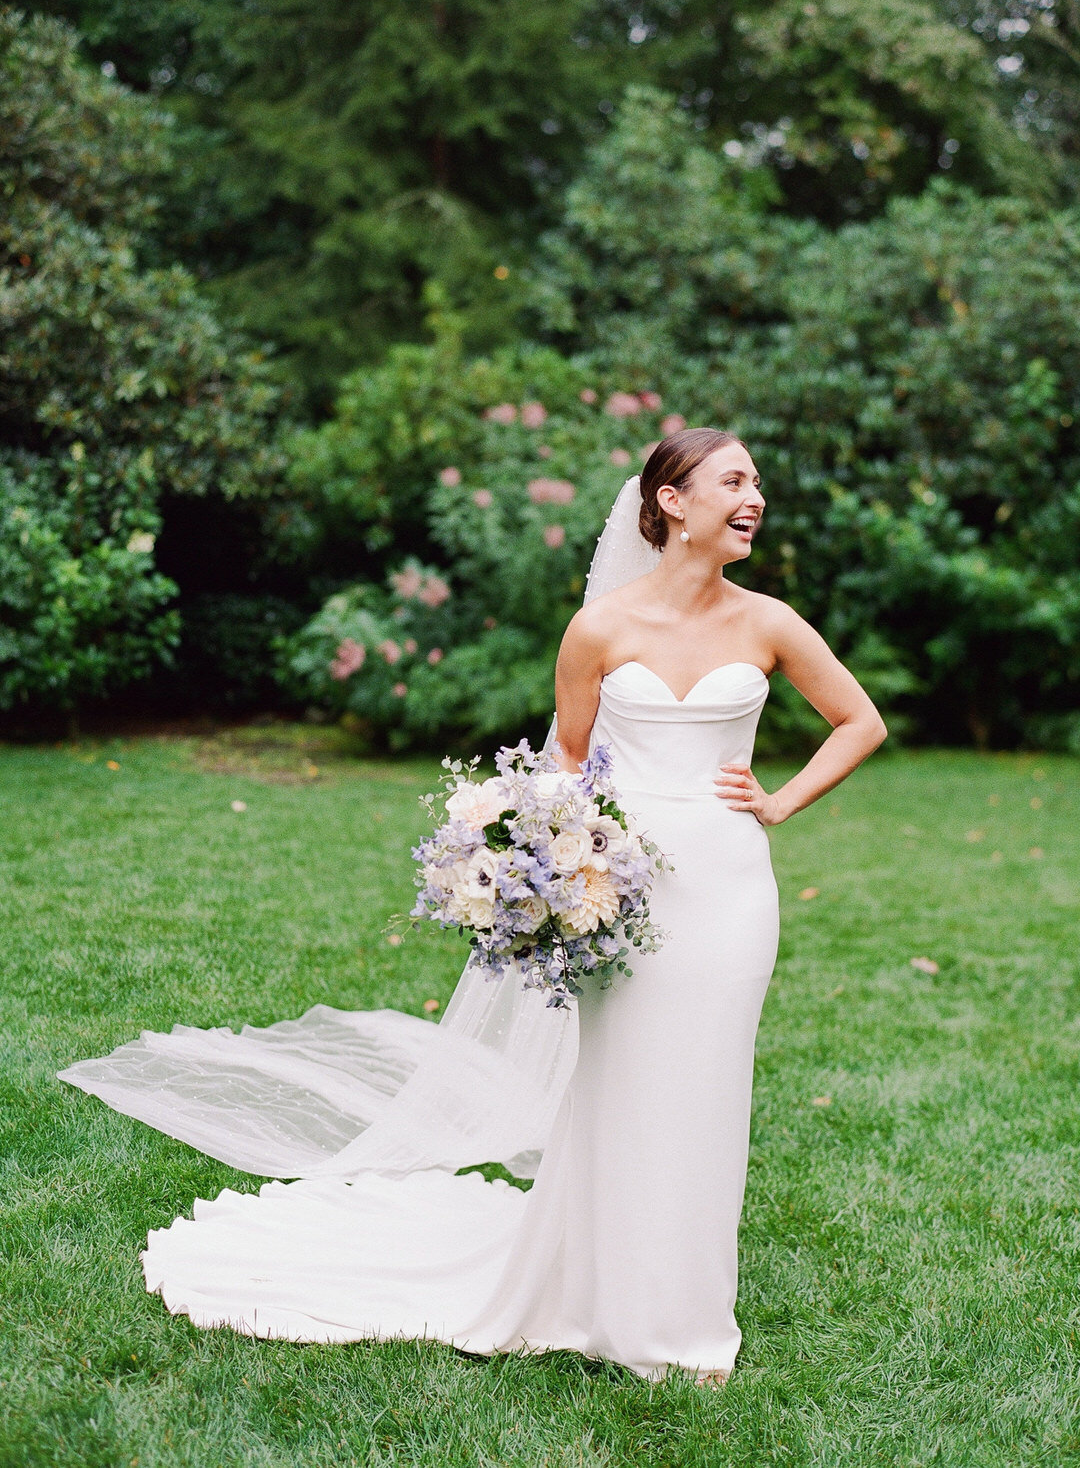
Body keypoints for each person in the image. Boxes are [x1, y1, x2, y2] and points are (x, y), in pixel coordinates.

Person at [57, 427, 886, 1386]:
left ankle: (687, 1314)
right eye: (735, 481)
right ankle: (591, 1295)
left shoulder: (769, 622)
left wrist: (777, 801)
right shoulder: (601, 629)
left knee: (710, 1091)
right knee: (619, 1090)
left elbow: (859, 720)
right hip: (623, 887)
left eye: (758, 484)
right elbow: (568, 763)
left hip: (730, 889)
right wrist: (549, 861)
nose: (756, 499)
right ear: (671, 500)